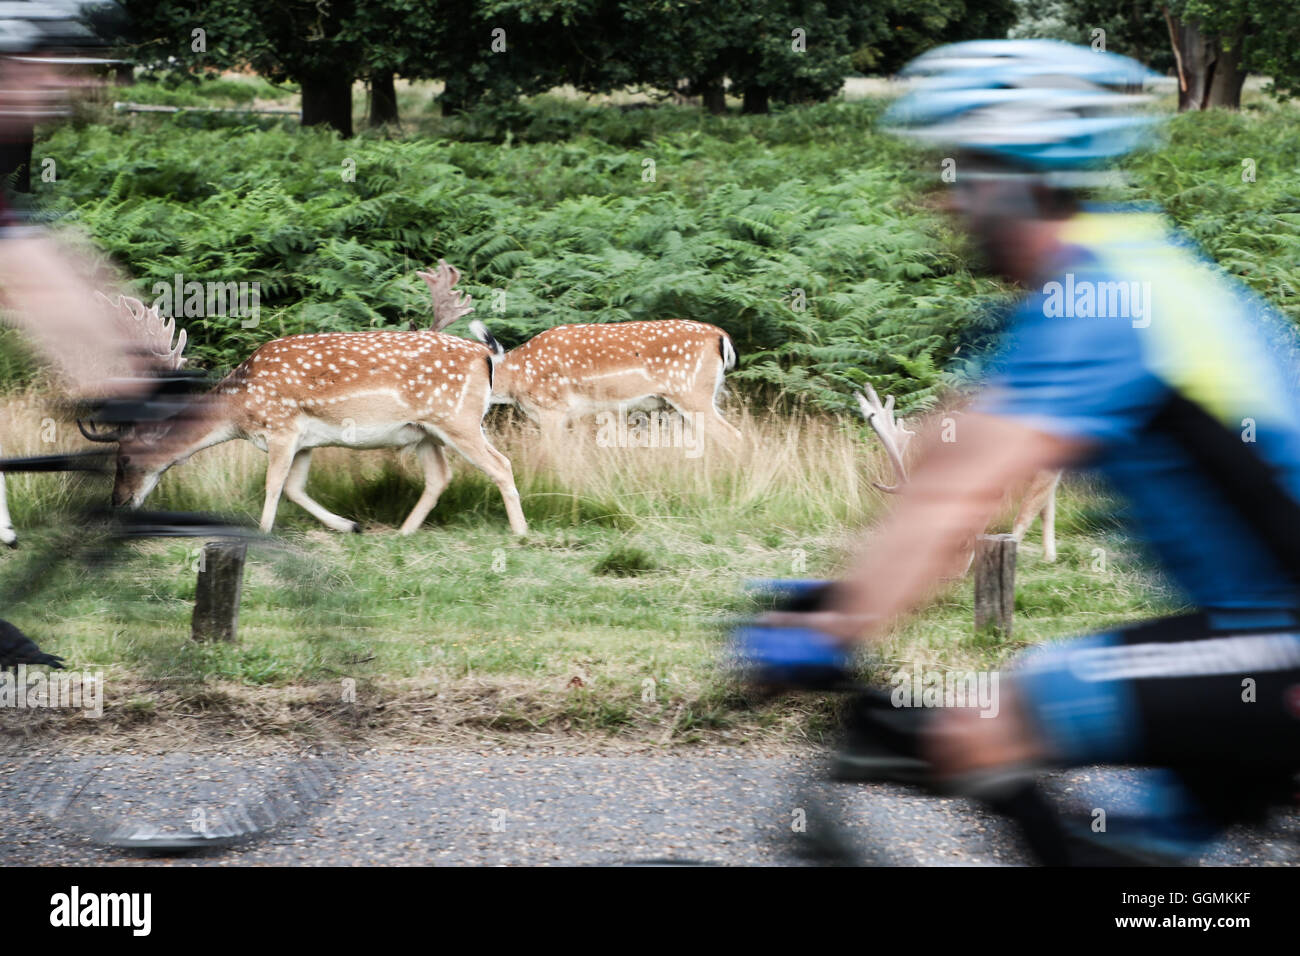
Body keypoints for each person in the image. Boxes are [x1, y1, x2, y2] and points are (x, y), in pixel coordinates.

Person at [767, 40, 1300, 864]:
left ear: (1011, 183)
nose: (937, 203)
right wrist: (846, 593)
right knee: (1160, 864)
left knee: (1006, 713)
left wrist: (838, 626)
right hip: (1254, 630)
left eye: (954, 175)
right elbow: (949, 456)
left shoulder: (1105, 298)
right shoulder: (1111, 277)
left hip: (1278, 640)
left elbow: (961, 496)